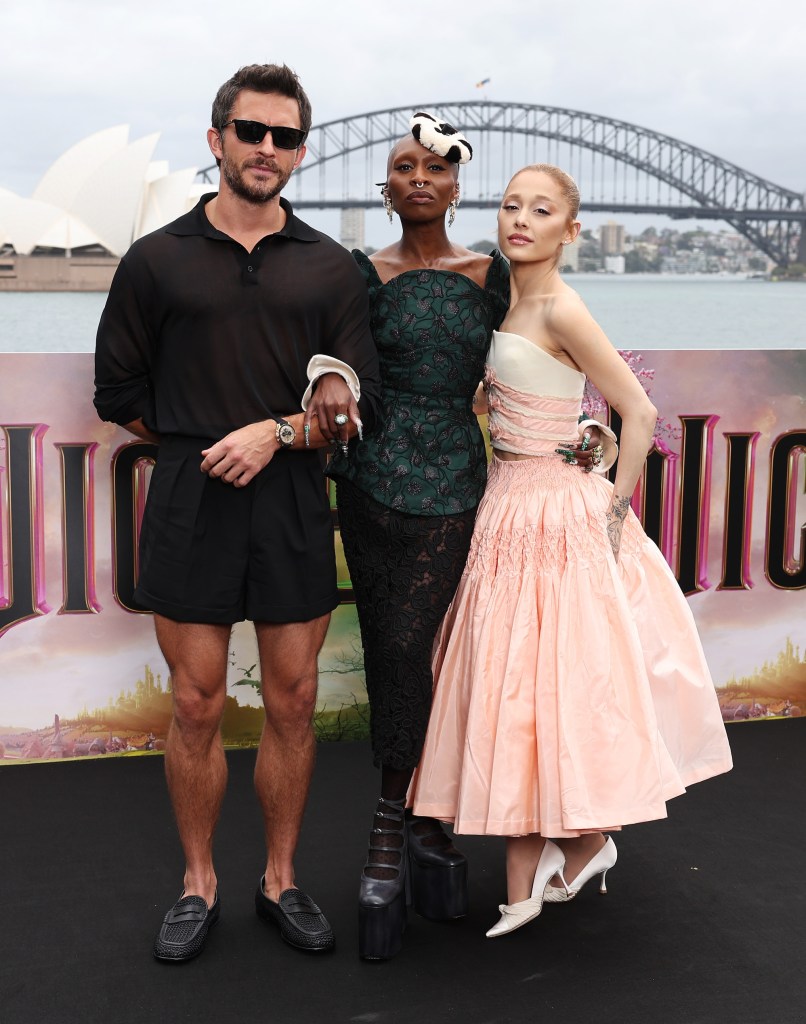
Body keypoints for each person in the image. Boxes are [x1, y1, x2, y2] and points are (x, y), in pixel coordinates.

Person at [94, 63, 381, 962]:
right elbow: (118, 392)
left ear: (301, 152)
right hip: (193, 498)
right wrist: (198, 442)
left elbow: (355, 405)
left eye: (283, 136)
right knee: (195, 702)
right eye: (250, 131)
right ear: (216, 139)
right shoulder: (155, 260)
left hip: (292, 499)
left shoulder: (331, 266)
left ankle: (280, 880)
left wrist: (274, 433)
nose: (266, 148)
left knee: (294, 700)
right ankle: (198, 884)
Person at [409, 164, 733, 938]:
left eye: (542, 210)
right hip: (506, 505)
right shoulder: (507, 298)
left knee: (549, 684)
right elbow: (518, 394)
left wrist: (613, 511)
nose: (521, 219)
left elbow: (639, 410)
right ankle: (532, 873)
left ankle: (583, 844)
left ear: (571, 229)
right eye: (512, 205)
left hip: (555, 517)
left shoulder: (560, 305)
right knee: (511, 685)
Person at [325, 120, 613, 960]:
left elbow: (541, 355)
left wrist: (582, 431)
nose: (420, 177)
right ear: (386, 187)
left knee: (441, 650)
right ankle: (413, 819)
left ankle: (401, 823)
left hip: (457, 487)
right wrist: (326, 374)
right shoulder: (359, 273)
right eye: (403, 166)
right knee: (390, 649)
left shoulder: (492, 276)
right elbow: (333, 353)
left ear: (458, 189)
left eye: (437, 167)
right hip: (370, 484)